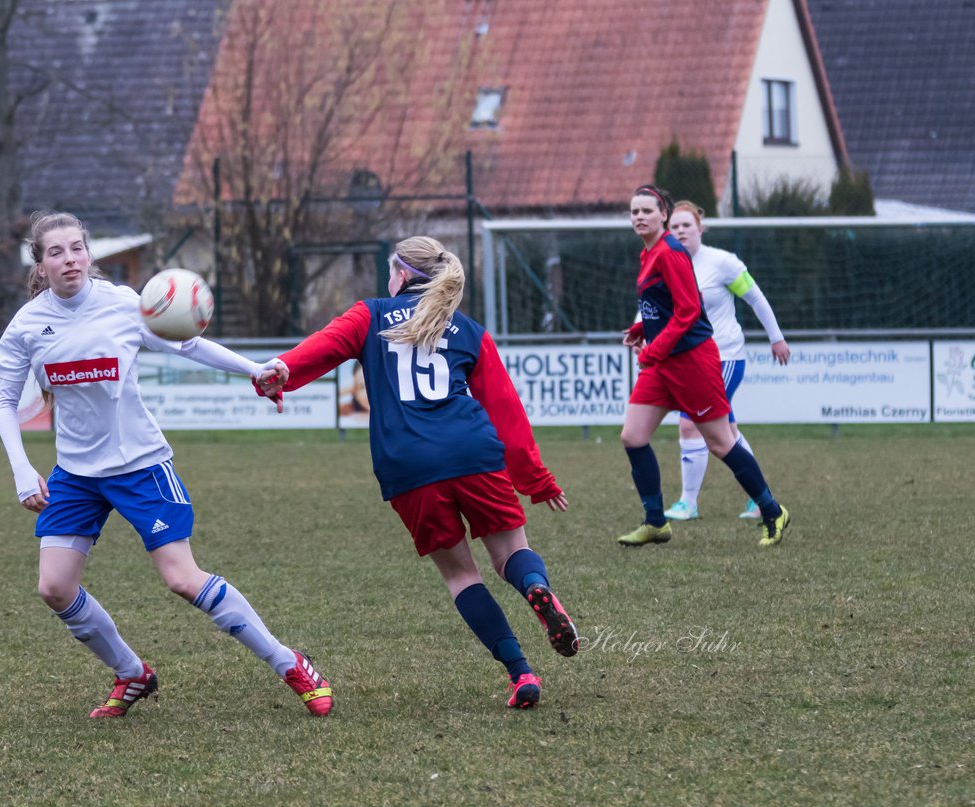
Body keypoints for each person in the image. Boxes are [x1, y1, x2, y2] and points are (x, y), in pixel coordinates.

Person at [0, 210, 331, 720]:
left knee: (182, 579)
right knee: (54, 587)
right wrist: (21, 468)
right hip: (77, 475)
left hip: (140, 465)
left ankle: (289, 662)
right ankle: (131, 672)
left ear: (90, 254)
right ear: (39, 265)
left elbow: (189, 344)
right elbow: (3, 403)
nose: (70, 259)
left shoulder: (124, 305)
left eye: (77, 248)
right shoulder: (26, 327)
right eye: (56, 252)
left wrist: (255, 370)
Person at [255, 236, 579, 711]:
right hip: (473, 451)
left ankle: (521, 671)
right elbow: (507, 413)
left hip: (410, 465)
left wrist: (281, 370)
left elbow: (321, 348)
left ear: (402, 275)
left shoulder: (371, 313)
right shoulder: (468, 328)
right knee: (512, 554)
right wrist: (536, 479)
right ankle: (536, 588)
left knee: (461, 576)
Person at [618, 185, 790, 548]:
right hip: (664, 364)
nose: (639, 217)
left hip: (693, 362)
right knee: (633, 437)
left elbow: (688, 312)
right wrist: (640, 329)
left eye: (646, 211)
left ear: (662, 214)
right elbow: (664, 307)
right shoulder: (647, 253)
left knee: (720, 442)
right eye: (634, 211)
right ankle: (655, 522)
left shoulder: (670, 253)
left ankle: (772, 510)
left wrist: (651, 350)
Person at [663, 201, 791, 521]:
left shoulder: (721, 263)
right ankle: (760, 500)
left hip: (725, 357)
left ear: (700, 229)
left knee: (691, 422)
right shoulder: (666, 265)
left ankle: (687, 503)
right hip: (689, 362)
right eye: (674, 227)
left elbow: (755, 298)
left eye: (686, 226)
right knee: (726, 431)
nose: (680, 232)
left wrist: (776, 337)